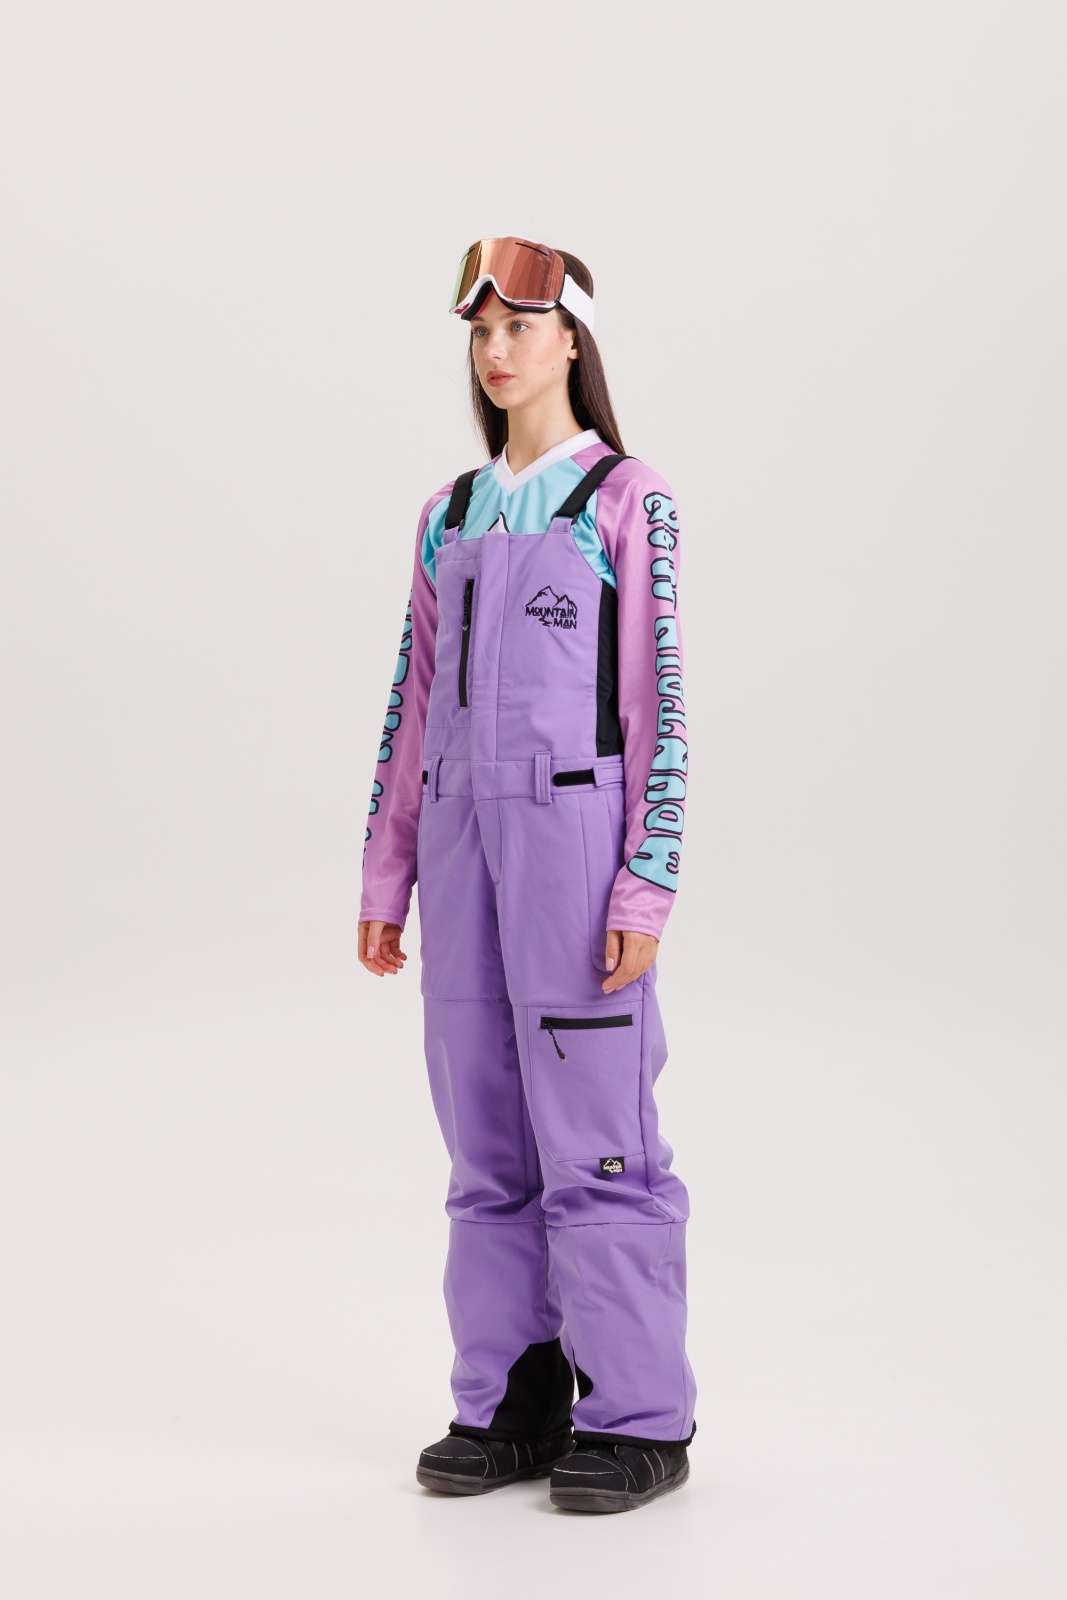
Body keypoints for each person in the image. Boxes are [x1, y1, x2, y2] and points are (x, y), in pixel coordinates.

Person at [358, 237, 696, 1514]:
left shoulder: (624, 499)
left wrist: (643, 885)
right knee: (483, 1130)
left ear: (570, 341)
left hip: (574, 843)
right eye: (480, 332)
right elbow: (411, 703)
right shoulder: (448, 514)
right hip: (459, 846)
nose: (495, 351)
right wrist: (386, 874)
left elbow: (658, 706)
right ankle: (511, 1398)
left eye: (518, 327)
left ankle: (638, 1416)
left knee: (596, 1136)